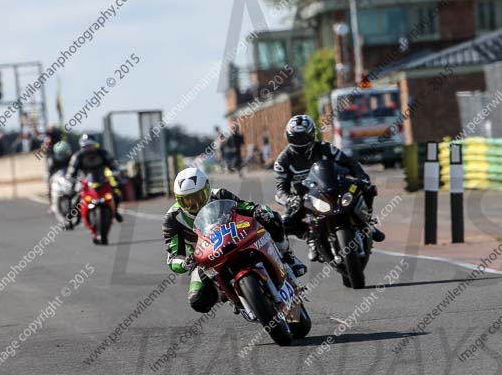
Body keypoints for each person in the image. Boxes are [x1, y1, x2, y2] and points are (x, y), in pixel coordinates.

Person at [163, 167, 307, 313]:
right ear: (177, 199)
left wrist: (257, 210)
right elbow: (173, 257)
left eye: (197, 198)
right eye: (186, 201)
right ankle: (227, 293)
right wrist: (185, 263)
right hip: (203, 258)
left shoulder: (220, 194)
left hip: (233, 236)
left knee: (271, 216)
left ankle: (288, 256)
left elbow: (242, 206)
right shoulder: (172, 219)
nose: (193, 206)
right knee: (198, 300)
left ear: (207, 189)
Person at [274, 114, 385, 261]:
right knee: (284, 222)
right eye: (296, 138)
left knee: (365, 188)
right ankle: (310, 237)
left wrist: (361, 176)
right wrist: (289, 199)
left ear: (312, 135)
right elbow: (281, 189)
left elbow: (349, 162)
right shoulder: (282, 161)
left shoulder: (326, 148)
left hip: (333, 187)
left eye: (304, 138)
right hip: (304, 197)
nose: (300, 142)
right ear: (288, 137)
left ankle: (367, 222)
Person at [66, 134, 124, 223]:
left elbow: (114, 166)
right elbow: (71, 171)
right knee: (75, 196)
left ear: (95, 145)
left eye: (91, 145)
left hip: (102, 180)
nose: (89, 148)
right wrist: (72, 179)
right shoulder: (78, 156)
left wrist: (116, 173)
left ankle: (115, 211)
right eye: (86, 146)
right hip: (84, 181)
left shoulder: (103, 153)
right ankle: (73, 216)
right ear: (82, 146)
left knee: (116, 193)